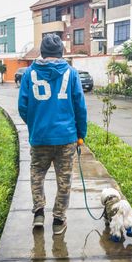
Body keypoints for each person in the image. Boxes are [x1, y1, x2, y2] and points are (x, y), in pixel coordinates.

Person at [18, 33, 87, 235]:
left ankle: (39, 212)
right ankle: (58, 220)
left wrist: (36, 125)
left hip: (40, 137)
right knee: (64, 180)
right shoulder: (71, 73)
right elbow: (80, 107)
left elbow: (23, 106)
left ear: (42, 52)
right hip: (66, 138)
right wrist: (80, 134)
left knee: (36, 174)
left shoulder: (29, 73)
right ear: (60, 53)